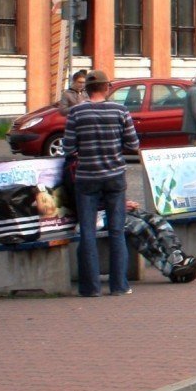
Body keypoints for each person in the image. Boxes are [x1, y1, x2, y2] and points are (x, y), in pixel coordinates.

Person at [62, 70, 141, 297]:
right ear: (107, 88)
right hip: (115, 176)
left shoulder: (77, 112)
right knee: (117, 230)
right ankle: (119, 285)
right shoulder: (120, 110)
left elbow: (68, 147)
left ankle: (90, 287)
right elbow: (133, 143)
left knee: (87, 231)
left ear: (86, 89)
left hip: (86, 177)